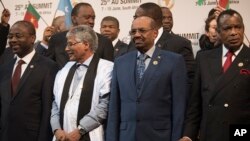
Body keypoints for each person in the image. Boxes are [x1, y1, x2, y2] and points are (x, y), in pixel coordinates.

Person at [106, 16, 187, 141]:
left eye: (142, 30)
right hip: (127, 136)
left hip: (159, 136)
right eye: (133, 31)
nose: (137, 35)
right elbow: (114, 108)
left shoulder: (174, 61)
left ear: (155, 33)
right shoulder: (120, 62)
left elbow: (179, 107)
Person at [180, 9, 250, 141]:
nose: (234, 33)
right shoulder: (204, 58)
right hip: (210, 134)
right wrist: (188, 136)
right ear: (218, 32)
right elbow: (195, 105)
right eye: (227, 28)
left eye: (237, 27)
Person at [50, 25, 113, 141]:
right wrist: (56, 128)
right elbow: (55, 102)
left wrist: (81, 130)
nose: (66, 49)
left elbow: (105, 105)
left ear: (86, 44)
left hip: (91, 135)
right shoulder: (65, 69)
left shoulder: (106, 68)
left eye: (71, 44)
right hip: (62, 136)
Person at [0, 20, 58, 141]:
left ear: (32, 38)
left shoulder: (48, 67)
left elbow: (47, 108)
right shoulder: (5, 68)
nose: (13, 40)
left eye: (18, 36)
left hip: (32, 136)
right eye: (10, 37)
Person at [129, 2, 194, 86]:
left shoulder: (180, 44)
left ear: (151, 19)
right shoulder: (134, 42)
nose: (134, 21)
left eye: (137, 17)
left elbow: (188, 80)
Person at [47, 2, 114, 68]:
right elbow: (49, 66)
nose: (91, 21)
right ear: (74, 19)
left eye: (93, 18)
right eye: (87, 17)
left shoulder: (104, 42)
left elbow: (108, 69)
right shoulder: (56, 39)